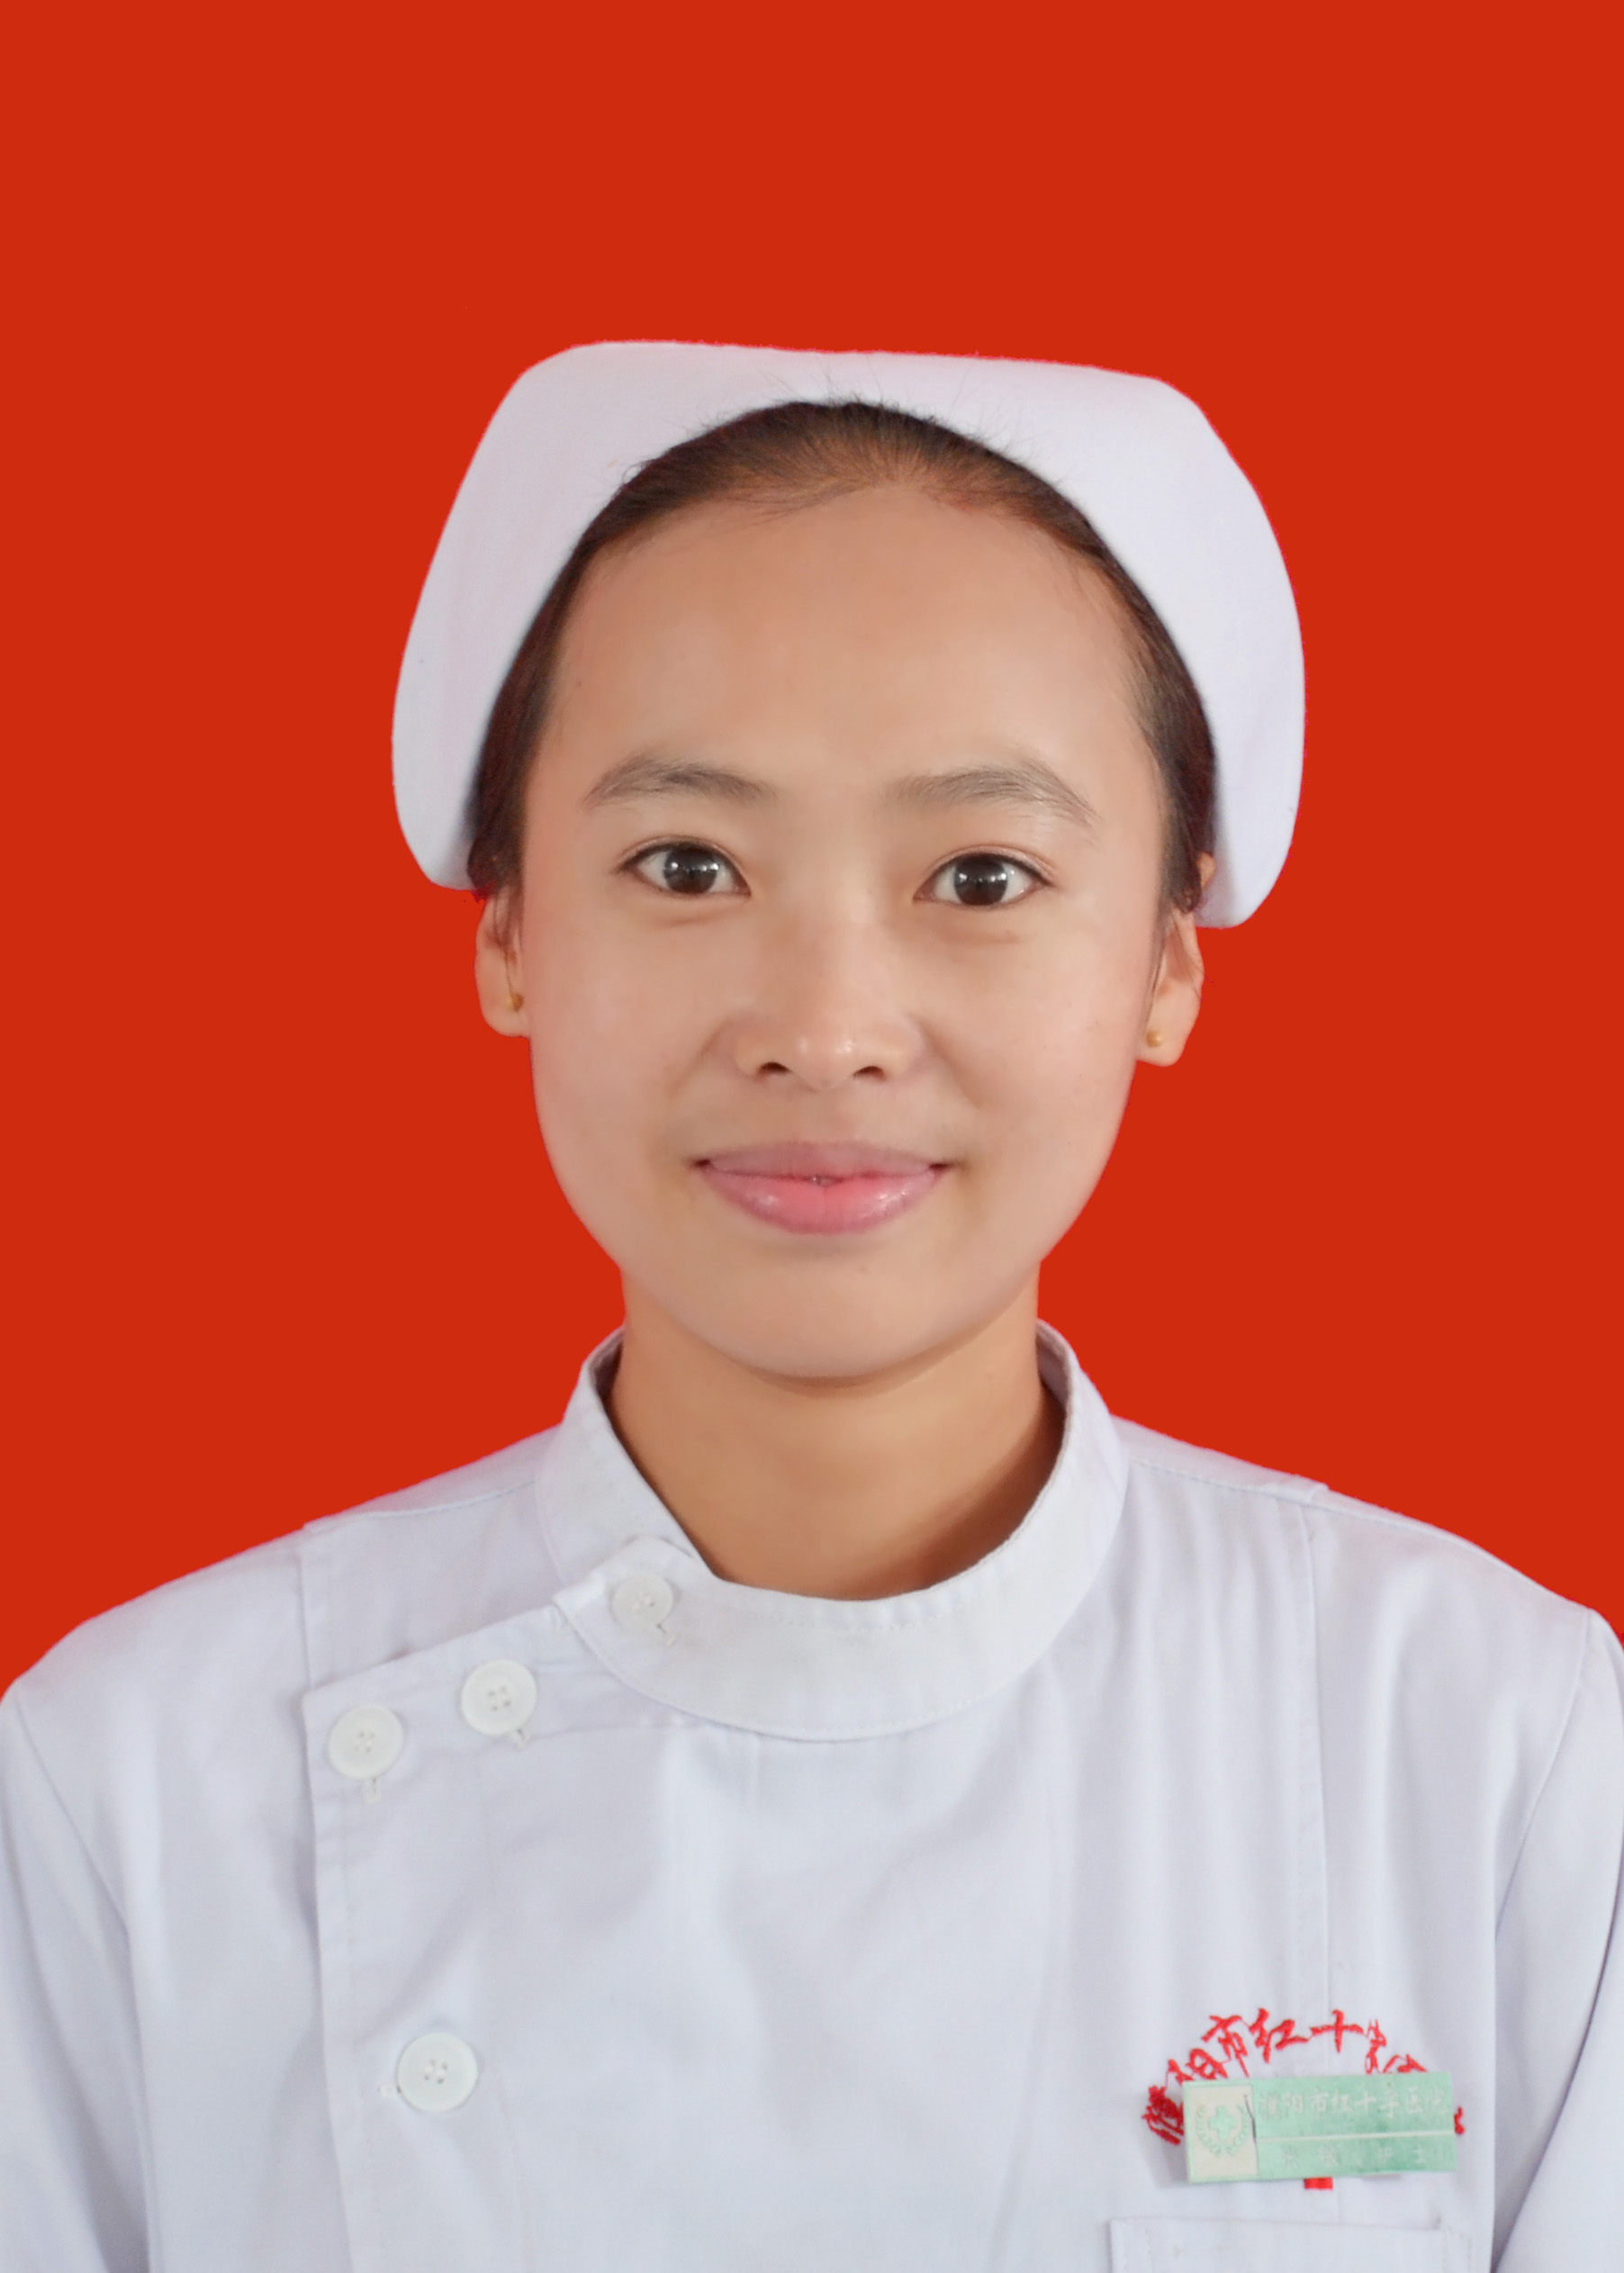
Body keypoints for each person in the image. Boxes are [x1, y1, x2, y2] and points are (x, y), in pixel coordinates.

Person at [2, 344, 1619, 2273]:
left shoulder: (1495, 1751)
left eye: (981, 875)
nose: (826, 1030)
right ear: (508, 933)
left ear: (1168, 962)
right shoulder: (135, 1796)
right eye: (686, 865)